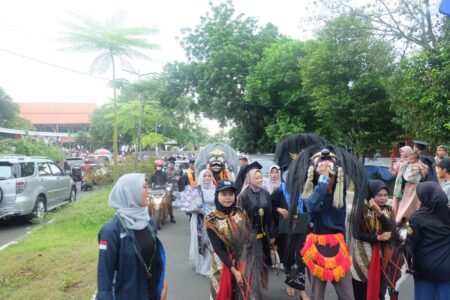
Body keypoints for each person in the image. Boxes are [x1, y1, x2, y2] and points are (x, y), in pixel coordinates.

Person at [287, 146, 367, 300]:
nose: (328, 179)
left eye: (331, 176)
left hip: (338, 249)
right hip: (317, 249)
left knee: (348, 296)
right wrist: (322, 182)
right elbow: (312, 206)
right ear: (317, 177)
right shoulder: (311, 195)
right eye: (324, 176)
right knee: (317, 296)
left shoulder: (339, 194)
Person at [96, 173, 167, 300]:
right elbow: (104, 274)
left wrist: (161, 285)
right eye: (144, 187)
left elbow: (154, 258)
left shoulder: (148, 222)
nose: (148, 191)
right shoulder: (111, 231)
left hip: (151, 294)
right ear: (131, 192)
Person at [205, 180, 256, 299]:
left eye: (231, 194)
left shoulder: (241, 212)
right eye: (224, 194)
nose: (228, 198)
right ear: (217, 195)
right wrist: (233, 270)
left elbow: (248, 235)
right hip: (222, 263)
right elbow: (218, 249)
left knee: (243, 293)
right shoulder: (211, 219)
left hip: (242, 259)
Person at [351, 180, 397, 300]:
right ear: (372, 195)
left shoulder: (388, 210)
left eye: (386, 195)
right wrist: (377, 238)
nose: (383, 198)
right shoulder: (362, 209)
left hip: (382, 254)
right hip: (363, 253)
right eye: (379, 195)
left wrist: (379, 212)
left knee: (379, 286)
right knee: (362, 286)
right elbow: (356, 233)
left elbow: (392, 230)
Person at [405, 181, 450, 300]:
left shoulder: (417, 218)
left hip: (424, 270)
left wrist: (408, 265)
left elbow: (410, 246)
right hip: (447, 271)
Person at [271, 180, 310, 299]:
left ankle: (302, 290)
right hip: (286, 228)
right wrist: (278, 209)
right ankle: (290, 283)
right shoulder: (280, 189)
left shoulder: (304, 189)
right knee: (288, 257)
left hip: (301, 226)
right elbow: (270, 205)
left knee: (301, 257)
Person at [237, 165, 273, 292]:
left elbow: (270, 215)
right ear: (250, 179)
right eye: (256, 178)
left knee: (264, 260)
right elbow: (240, 218)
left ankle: (263, 284)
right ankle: (252, 287)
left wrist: (272, 234)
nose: (259, 180)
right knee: (252, 262)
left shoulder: (266, 193)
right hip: (250, 234)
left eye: (261, 177)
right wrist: (244, 235)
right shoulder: (244, 196)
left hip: (264, 233)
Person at [187, 169, 216, 277]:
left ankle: (212, 266)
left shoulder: (215, 189)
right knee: (202, 243)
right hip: (199, 221)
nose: (207, 178)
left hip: (213, 221)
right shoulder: (196, 190)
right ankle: (202, 267)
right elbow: (189, 206)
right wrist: (198, 210)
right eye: (205, 176)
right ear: (200, 177)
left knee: (212, 243)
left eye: (209, 176)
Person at [393, 152, 428, 224]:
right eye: (401, 152)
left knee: (414, 206)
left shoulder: (419, 164)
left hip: (415, 188)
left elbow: (424, 171)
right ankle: (400, 219)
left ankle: (411, 220)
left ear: (417, 159)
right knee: (403, 204)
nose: (410, 160)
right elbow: (393, 172)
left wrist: (420, 172)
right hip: (405, 187)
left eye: (403, 152)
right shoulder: (404, 163)